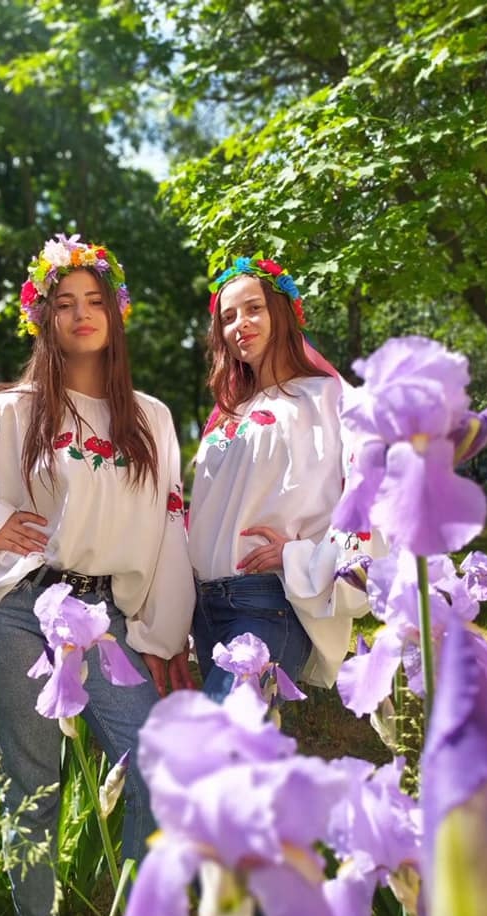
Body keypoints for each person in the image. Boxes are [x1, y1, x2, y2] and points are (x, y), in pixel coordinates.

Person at [0, 233, 195, 916]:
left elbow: (167, 528)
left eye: (95, 301)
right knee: (32, 776)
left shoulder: (150, 419)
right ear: (44, 319)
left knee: (154, 763)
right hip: (15, 611)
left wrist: (162, 635)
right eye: (65, 303)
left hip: (103, 616)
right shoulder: (10, 412)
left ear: (116, 314)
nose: (82, 314)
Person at [187, 254, 373, 703]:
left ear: (282, 314)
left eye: (254, 308)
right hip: (204, 610)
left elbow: (368, 496)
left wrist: (303, 555)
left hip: (267, 604)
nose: (240, 324)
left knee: (220, 733)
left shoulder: (330, 399)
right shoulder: (229, 413)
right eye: (228, 317)